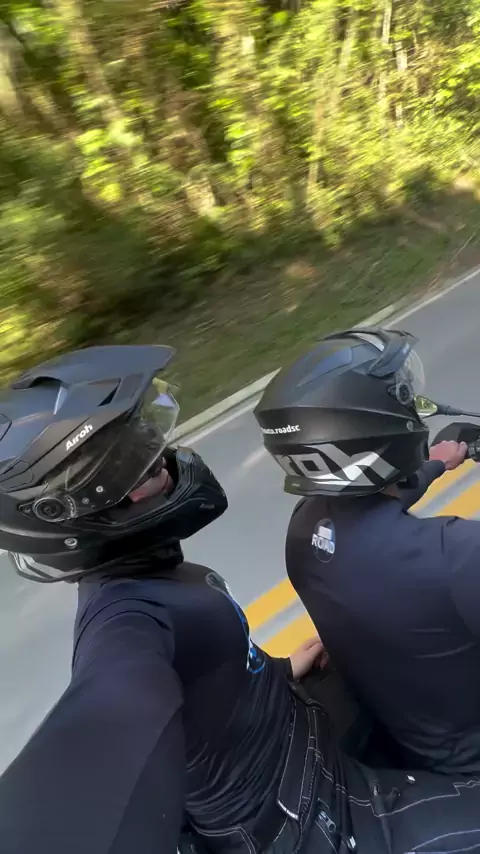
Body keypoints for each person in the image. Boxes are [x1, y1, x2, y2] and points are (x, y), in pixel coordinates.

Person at [2, 343, 480, 854]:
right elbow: (95, 737)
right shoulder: (125, 625)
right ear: (71, 511)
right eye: (129, 462)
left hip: (308, 751)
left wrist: (269, 672)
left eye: (146, 436)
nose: (162, 458)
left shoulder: (152, 575)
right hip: (323, 825)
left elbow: (198, 680)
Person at [253, 325, 480, 776]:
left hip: (408, 744)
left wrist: (436, 463)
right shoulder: (454, 554)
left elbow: (368, 511)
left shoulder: (304, 533)